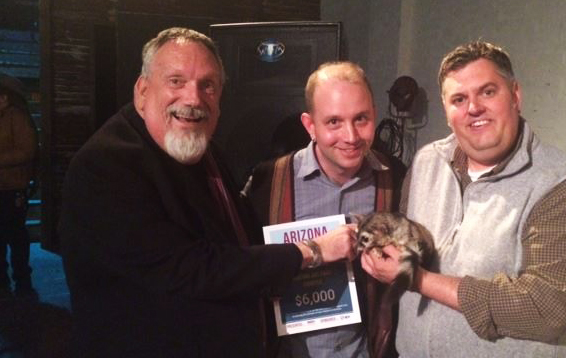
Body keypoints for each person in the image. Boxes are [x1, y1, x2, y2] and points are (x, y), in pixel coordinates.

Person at [58, 27, 356, 358]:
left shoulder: (202, 148)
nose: (193, 98)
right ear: (142, 91)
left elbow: (236, 237)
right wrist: (312, 251)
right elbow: (190, 269)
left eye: (207, 86)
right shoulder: (106, 166)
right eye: (176, 81)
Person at [361, 41, 566, 357]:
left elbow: (546, 308)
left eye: (488, 92)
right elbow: (410, 240)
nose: (473, 107)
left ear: (515, 95)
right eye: (459, 99)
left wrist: (418, 279)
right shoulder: (426, 162)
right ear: (446, 111)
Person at [246, 61, 406, 358]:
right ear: (310, 126)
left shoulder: (396, 177)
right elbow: (246, 270)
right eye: (334, 122)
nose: (351, 136)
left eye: (361, 119)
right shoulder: (268, 181)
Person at [0, 74, 38, 299]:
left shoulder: (17, 118)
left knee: (15, 234)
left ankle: (22, 278)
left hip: (13, 186)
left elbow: (27, 150)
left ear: (4, 98)